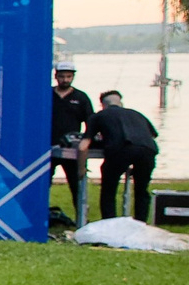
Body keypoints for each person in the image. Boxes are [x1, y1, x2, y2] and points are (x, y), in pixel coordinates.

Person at [88, 89, 160, 222]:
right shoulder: (137, 114)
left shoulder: (99, 115)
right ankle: (141, 222)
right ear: (121, 103)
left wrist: (81, 170)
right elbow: (153, 135)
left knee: (109, 188)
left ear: (103, 105)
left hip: (121, 150)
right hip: (147, 150)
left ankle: (109, 222)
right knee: (141, 189)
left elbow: (84, 144)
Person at [48, 61, 93, 220]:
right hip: (48, 147)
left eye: (69, 76)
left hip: (72, 148)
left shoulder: (81, 98)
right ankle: (40, 218)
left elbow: (91, 123)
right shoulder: (46, 94)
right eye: (62, 76)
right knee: (43, 184)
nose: (65, 80)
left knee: (77, 185)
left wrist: (86, 142)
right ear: (56, 76)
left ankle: (82, 219)